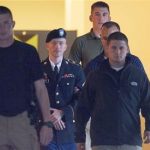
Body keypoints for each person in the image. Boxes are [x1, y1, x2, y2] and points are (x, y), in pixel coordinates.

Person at [75, 32, 150, 150]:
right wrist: (79, 137)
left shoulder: (138, 75)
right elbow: (82, 107)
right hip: (102, 141)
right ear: (107, 49)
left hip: (130, 140)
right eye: (113, 48)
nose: (118, 52)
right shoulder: (95, 75)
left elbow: (148, 104)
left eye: (121, 48)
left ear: (127, 49)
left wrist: (149, 128)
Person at [0, 6, 53, 150]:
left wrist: (47, 123)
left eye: (6, 23)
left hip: (23, 120)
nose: (2, 28)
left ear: (13, 24)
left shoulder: (27, 52)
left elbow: (41, 89)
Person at [42, 28, 85, 150]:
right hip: (45, 130)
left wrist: (61, 112)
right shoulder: (37, 69)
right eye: (54, 43)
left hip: (68, 131)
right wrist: (51, 114)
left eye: (61, 43)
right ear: (47, 45)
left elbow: (81, 98)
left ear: (65, 46)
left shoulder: (75, 70)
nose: (57, 46)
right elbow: (32, 97)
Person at [69, 1, 111, 68]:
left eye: (104, 14)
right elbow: (72, 70)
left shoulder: (118, 41)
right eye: (97, 14)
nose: (101, 18)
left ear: (109, 18)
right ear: (90, 18)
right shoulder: (80, 42)